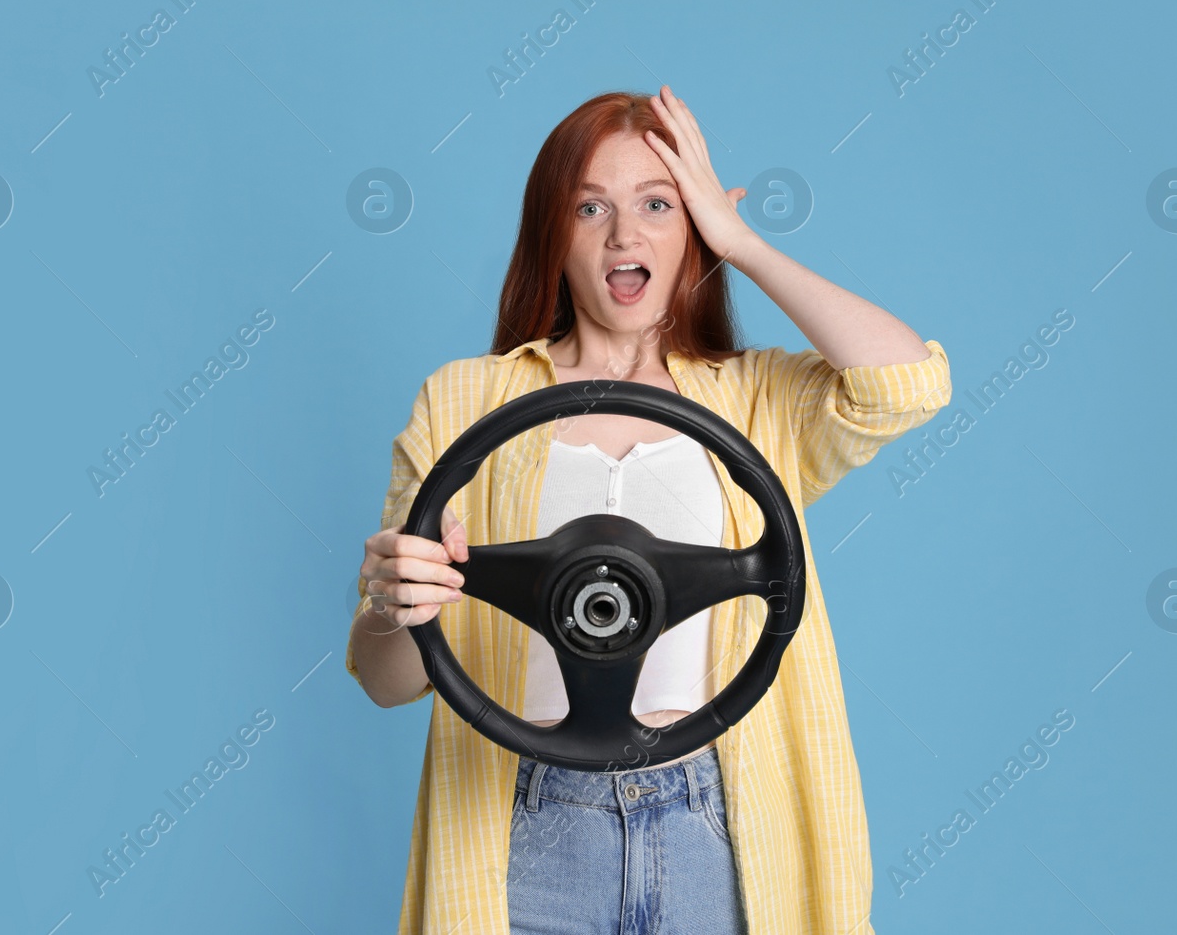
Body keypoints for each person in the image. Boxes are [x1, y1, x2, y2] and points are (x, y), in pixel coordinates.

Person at [346, 86, 952, 935]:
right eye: (590, 206)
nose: (625, 234)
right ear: (553, 235)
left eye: (658, 205)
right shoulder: (464, 404)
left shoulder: (756, 400)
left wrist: (739, 241)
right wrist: (394, 602)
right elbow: (386, 682)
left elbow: (910, 383)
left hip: (719, 826)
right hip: (527, 821)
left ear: (690, 230)